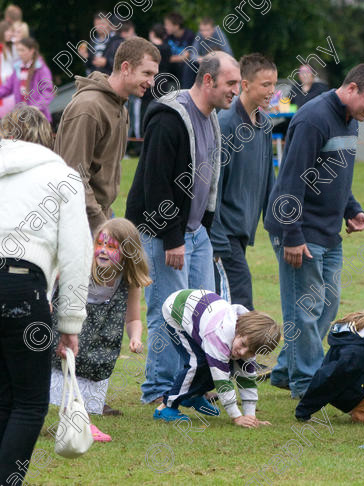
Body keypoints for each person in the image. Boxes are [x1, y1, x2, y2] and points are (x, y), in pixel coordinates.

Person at [264, 63, 364, 399]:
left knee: (328, 305)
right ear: (351, 89)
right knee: (305, 309)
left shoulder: (351, 119)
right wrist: (291, 235)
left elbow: (337, 174)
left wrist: (351, 208)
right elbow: (291, 179)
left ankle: (286, 370)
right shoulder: (312, 119)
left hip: (328, 231)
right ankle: (306, 383)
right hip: (299, 230)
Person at [125, 51, 241, 404]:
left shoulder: (212, 119)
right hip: (163, 234)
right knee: (167, 314)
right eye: (231, 83)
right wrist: (173, 237)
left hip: (196, 233)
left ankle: (190, 390)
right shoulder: (169, 117)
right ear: (208, 80)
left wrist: (202, 229)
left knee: (206, 315)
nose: (236, 90)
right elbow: (156, 183)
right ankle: (159, 392)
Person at [0, 105, 91, 485]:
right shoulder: (61, 176)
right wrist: (70, 323)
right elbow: (76, 253)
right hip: (22, 284)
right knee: (29, 401)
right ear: (47, 139)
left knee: (4, 397)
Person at [48, 218, 150, 443]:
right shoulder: (80, 266)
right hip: (65, 333)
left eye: (112, 247)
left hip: (99, 345)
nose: (103, 251)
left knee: (88, 378)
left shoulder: (128, 281)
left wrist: (135, 337)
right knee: (60, 375)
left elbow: (133, 317)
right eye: (100, 244)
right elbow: (52, 278)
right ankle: (78, 422)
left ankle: (77, 420)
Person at [54, 36, 160, 234]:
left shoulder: (121, 108)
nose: (151, 82)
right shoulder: (89, 107)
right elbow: (72, 177)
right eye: (147, 73)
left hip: (100, 216)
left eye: (154, 75)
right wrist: (101, 226)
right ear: (126, 67)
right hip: (76, 223)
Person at [154, 289, 281, 428]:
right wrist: (237, 417)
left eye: (250, 352)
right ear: (238, 329)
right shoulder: (219, 337)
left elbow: (247, 378)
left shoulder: (249, 339)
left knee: (222, 366)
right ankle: (167, 407)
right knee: (199, 364)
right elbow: (222, 379)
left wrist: (250, 416)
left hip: (202, 316)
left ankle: (193, 396)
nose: (242, 352)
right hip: (177, 311)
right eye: (243, 344)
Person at [211, 53, 276, 310]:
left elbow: (269, 181)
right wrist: (216, 239)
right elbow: (212, 185)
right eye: (265, 85)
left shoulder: (265, 125)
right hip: (223, 234)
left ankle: (232, 350)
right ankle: (239, 351)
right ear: (245, 85)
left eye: (274, 84)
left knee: (231, 299)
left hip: (242, 232)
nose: (272, 91)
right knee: (239, 298)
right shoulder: (225, 124)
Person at [0, 37, 53, 121]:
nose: (20, 53)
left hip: (39, 118)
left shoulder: (41, 69)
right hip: (22, 118)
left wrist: (36, 107)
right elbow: (6, 88)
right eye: (18, 50)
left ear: (32, 51)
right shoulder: (17, 68)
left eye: (22, 50)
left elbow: (47, 91)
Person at [182, 17, 234, 89]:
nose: (204, 33)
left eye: (207, 30)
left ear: (213, 29)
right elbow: (193, 54)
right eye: (202, 30)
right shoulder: (200, 34)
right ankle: (186, 90)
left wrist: (214, 59)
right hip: (204, 61)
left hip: (218, 62)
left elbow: (229, 54)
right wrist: (201, 58)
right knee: (190, 64)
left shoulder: (218, 34)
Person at [164, 12, 195, 85]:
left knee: (187, 65)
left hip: (184, 68)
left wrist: (168, 58)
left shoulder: (189, 35)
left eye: (168, 25)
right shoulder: (167, 36)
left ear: (176, 26)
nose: (165, 27)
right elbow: (163, 55)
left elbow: (186, 57)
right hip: (172, 67)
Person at [0, 21, 15, 117]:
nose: (11, 33)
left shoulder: (10, 47)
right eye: (8, 31)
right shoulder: (2, 50)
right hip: (6, 86)